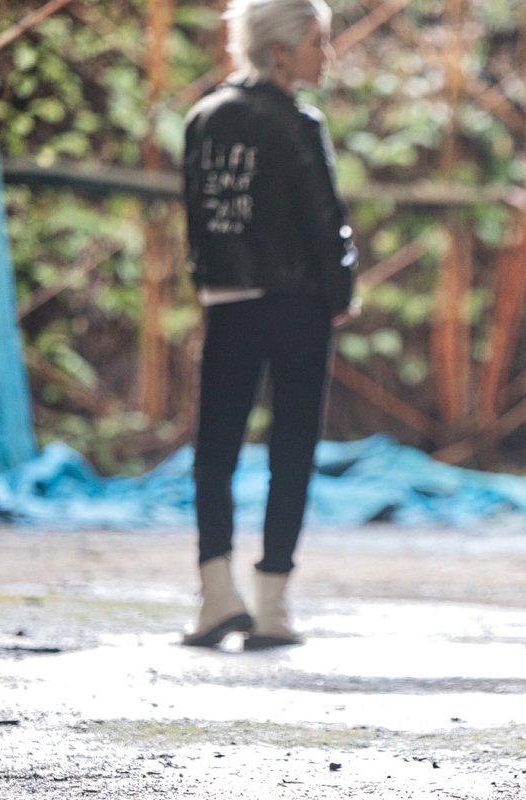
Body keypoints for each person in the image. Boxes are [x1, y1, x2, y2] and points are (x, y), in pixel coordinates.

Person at [180, 0, 357, 650]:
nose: (326, 56)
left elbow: (197, 219)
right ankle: (272, 605)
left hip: (227, 302)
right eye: (318, 42)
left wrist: (210, 285)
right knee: (292, 448)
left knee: (215, 449)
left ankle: (215, 597)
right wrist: (341, 293)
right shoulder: (300, 125)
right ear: (281, 50)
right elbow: (326, 221)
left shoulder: (203, 118)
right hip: (299, 307)